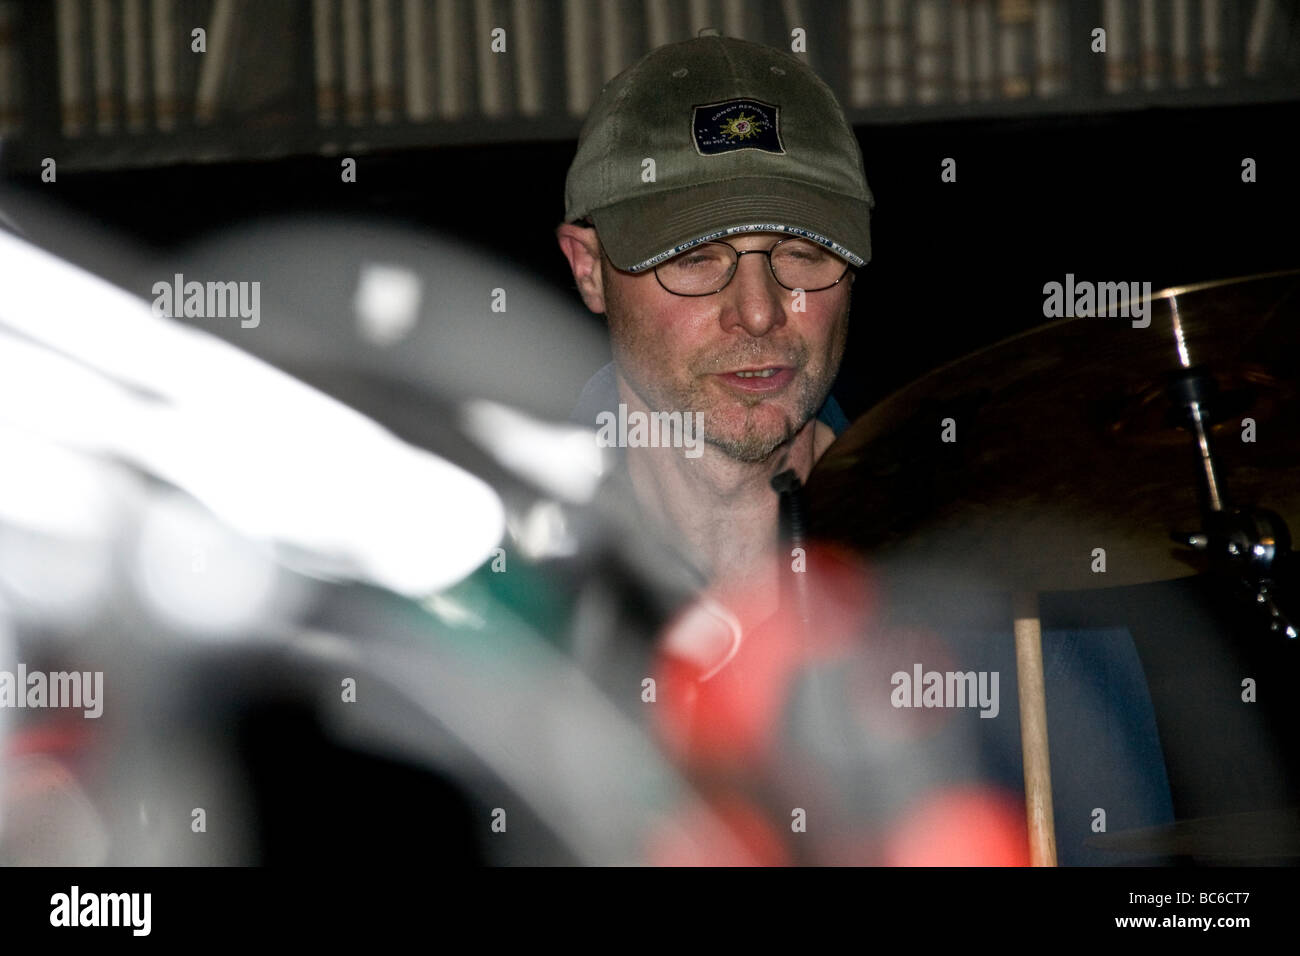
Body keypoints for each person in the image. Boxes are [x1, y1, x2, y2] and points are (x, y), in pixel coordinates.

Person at [555, 32, 1173, 864]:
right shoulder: (492, 579)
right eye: (695, 259)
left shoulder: (1019, 586)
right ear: (589, 268)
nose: (761, 312)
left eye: (802, 253)